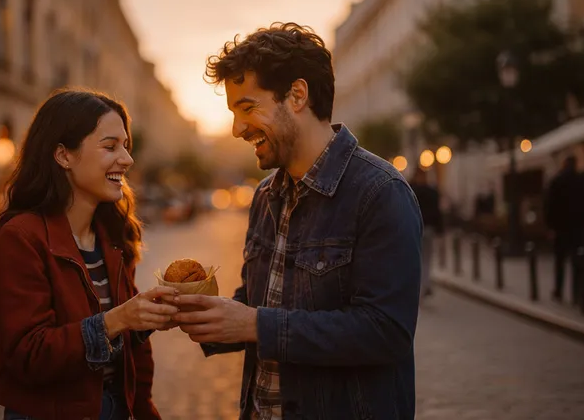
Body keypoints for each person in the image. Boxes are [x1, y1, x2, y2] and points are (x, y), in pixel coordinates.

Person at [172, 22, 423, 419]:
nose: (237, 129)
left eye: (248, 108)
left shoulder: (380, 193)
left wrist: (255, 325)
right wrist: (206, 313)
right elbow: (261, 304)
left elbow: (386, 332)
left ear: (297, 96)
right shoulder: (265, 196)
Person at [0, 89, 178, 420]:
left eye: (126, 146)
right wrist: (119, 318)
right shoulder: (21, 237)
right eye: (110, 146)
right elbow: (27, 356)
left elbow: (133, 352)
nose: (127, 159)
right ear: (63, 155)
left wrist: (145, 319)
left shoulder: (113, 234)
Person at [544, 155, 584, 302]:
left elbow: (549, 206)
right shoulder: (582, 181)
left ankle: (558, 291)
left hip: (560, 228)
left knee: (560, 261)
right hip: (578, 228)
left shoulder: (557, 181)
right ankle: (576, 293)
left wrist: (550, 227)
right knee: (577, 262)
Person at [409, 166, 443, 298]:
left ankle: (423, 285)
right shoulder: (431, 191)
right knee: (426, 258)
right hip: (427, 228)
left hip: (417, 229)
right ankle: (425, 284)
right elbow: (437, 213)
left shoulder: (411, 190)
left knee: (419, 258)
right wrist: (440, 230)